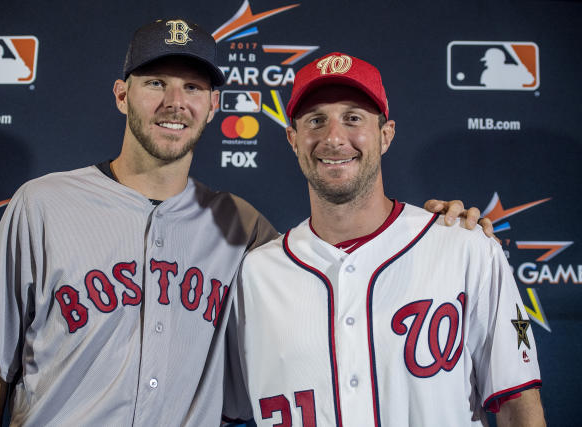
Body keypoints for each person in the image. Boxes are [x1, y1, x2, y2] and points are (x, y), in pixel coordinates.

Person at [0, 19, 489, 426]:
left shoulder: (246, 230)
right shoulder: (42, 205)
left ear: (213, 107)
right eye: (156, 82)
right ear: (122, 95)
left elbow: (340, 282)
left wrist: (439, 228)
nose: (174, 102)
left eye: (193, 89)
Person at [225, 52, 546, 426]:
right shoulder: (256, 274)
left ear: (385, 135)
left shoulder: (465, 247)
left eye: (353, 118)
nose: (333, 137)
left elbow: (519, 403)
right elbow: (220, 409)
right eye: (316, 120)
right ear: (293, 140)